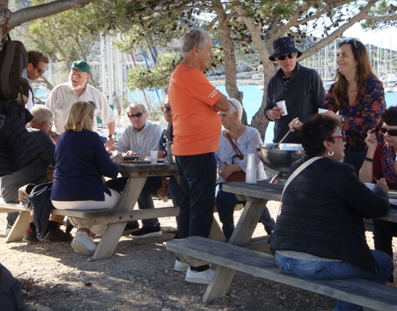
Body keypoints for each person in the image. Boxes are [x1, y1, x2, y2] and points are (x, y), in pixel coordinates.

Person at [270, 113, 393, 311]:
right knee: (384, 262)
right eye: (340, 138)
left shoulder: (296, 167)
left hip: (283, 257)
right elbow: (376, 207)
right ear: (328, 144)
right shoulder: (341, 172)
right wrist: (381, 190)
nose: (344, 142)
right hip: (313, 264)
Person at [168, 28, 230, 284]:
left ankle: (184, 259)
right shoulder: (192, 73)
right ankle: (199, 267)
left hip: (186, 148)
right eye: (208, 50)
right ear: (196, 50)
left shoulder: (179, 74)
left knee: (189, 205)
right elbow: (224, 104)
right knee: (200, 207)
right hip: (198, 150)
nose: (211, 55)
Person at [51, 101, 123, 256]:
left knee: (98, 201)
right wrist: (116, 160)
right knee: (120, 198)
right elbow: (109, 170)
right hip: (83, 194)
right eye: (92, 117)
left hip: (58, 195)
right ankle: (89, 235)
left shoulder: (62, 138)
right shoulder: (92, 137)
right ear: (88, 117)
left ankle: (82, 234)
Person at [1, 105, 71, 242]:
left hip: (6, 191)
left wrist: (50, 135)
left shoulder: (16, 132)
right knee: (66, 183)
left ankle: (32, 228)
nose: (50, 129)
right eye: (50, 126)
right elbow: (60, 162)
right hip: (21, 192)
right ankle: (54, 227)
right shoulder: (38, 135)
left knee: (46, 180)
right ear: (45, 124)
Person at [322, 38, 386, 173]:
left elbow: (370, 123)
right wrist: (303, 125)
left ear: (358, 60)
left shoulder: (373, 85)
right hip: (348, 152)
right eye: (338, 55)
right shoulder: (336, 87)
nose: (339, 59)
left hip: (373, 154)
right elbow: (324, 116)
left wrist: (340, 120)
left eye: (344, 55)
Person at [215, 98, 273, 240]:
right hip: (228, 182)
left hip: (252, 179)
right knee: (222, 199)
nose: (220, 119)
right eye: (219, 115)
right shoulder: (218, 136)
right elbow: (213, 159)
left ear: (235, 115)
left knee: (255, 201)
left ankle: (273, 232)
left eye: (224, 115)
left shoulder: (252, 133)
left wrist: (232, 168)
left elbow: (255, 159)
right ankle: (230, 235)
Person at [106, 102, 164, 239]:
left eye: (138, 114)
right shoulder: (128, 131)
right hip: (136, 175)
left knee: (138, 184)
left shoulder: (156, 128)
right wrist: (127, 152)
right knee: (109, 186)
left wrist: (133, 155)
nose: (135, 118)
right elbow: (118, 150)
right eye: (131, 116)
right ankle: (128, 220)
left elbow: (156, 154)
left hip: (157, 176)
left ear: (146, 114)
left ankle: (151, 225)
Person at [359, 106, 397, 285]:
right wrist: (371, 149)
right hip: (389, 204)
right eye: (383, 130)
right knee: (380, 227)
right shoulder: (382, 149)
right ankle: (386, 279)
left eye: (393, 131)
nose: (387, 135)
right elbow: (366, 182)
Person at [264, 36, 325, 144]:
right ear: (276, 59)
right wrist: (271, 113)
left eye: (290, 55)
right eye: (282, 57)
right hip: (280, 142)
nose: (287, 60)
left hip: (307, 143)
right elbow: (267, 110)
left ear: (296, 55)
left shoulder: (310, 76)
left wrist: (306, 127)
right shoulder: (273, 81)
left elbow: (323, 110)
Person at [45, 60, 116, 146]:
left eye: (79, 76)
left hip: (88, 146)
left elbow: (110, 119)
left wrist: (110, 138)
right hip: (62, 145)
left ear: (87, 77)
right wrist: (53, 135)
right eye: (73, 74)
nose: (74, 77)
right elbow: (44, 119)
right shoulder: (58, 91)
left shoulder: (95, 95)